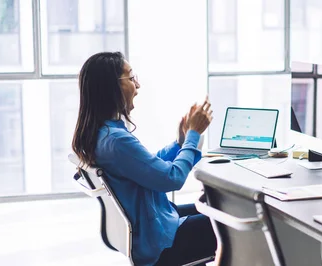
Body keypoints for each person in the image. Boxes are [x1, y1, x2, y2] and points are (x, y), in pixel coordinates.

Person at [71, 51, 217, 266]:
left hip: (152, 228)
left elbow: (147, 167)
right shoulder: (116, 141)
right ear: (111, 87)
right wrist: (193, 136)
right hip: (159, 242)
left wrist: (179, 144)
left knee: (216, 208)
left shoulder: (103, 134)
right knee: (229, 223)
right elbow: (171, 179)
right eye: (131, 78)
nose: (137, 86)